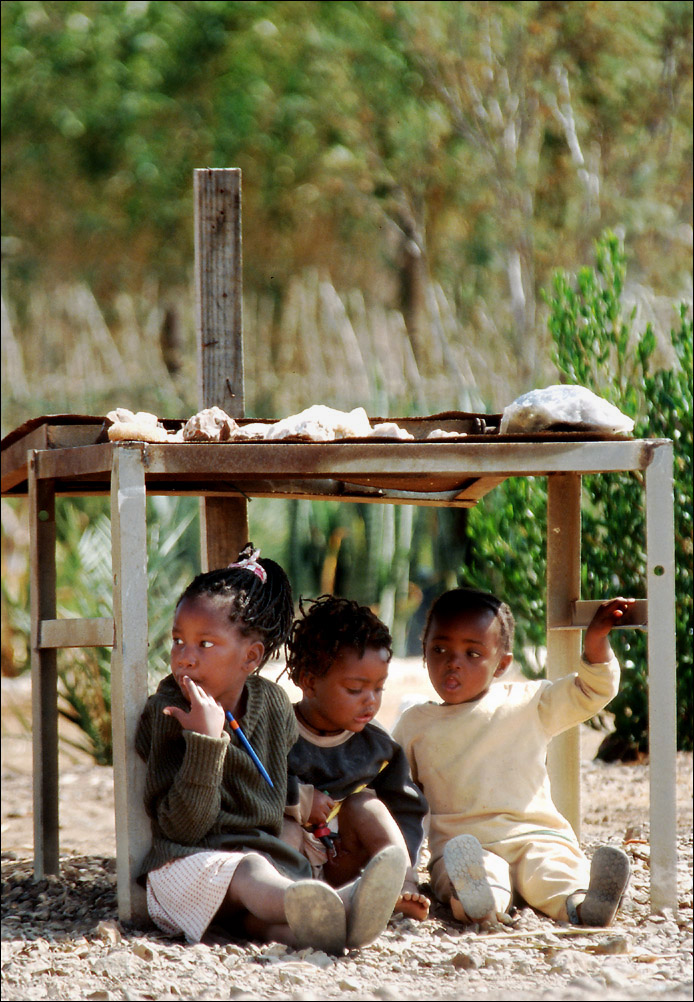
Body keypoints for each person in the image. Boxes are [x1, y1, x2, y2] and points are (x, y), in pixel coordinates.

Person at [135, 545, 404, 954]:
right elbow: (181, 829)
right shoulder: (169, 711)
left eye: (205, 644)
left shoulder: (274, 706)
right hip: (186, 868)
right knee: (251, 869)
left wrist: (297, 812)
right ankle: (341, 901)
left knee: (275, 925)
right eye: (178, 641)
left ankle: (339, 929)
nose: (185, 659)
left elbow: (266, 804)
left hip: (254, 872)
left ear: (251, 656)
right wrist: (206, 743)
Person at [392, 586, 633, 928]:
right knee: (472, 877)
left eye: (472, 654)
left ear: (502, 664)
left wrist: (595, 642)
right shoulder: (415, 724)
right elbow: (394, 793)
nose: (453, 662)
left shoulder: (528, 702)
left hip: (536, 835)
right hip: (465, 848)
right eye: (440, 649)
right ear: (424, 652)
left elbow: (590, 691)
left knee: (553, 870)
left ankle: (583, 904)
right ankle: (479, 904)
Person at [283, 594, 430, 924]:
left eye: (379, 689)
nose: (371, 701)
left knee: (366, 804)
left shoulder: (377, 745)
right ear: (309, 681)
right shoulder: (277, 730)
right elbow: (255, 784)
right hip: (291, 858)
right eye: (355, 689)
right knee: (285, 828)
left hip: (345, 861)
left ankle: (400, 887)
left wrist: (407, 861)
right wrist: (299, 800)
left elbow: (406, 808)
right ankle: (296, 903)